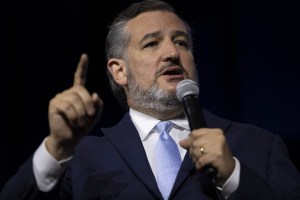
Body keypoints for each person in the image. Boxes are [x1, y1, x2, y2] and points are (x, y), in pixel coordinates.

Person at [1, 0, 300, 199]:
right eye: (152, 43)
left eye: (181, 42)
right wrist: (56, 148)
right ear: (119, 71)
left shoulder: (261, 145)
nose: (171, 53)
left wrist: (234, 176)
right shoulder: (80, 157)